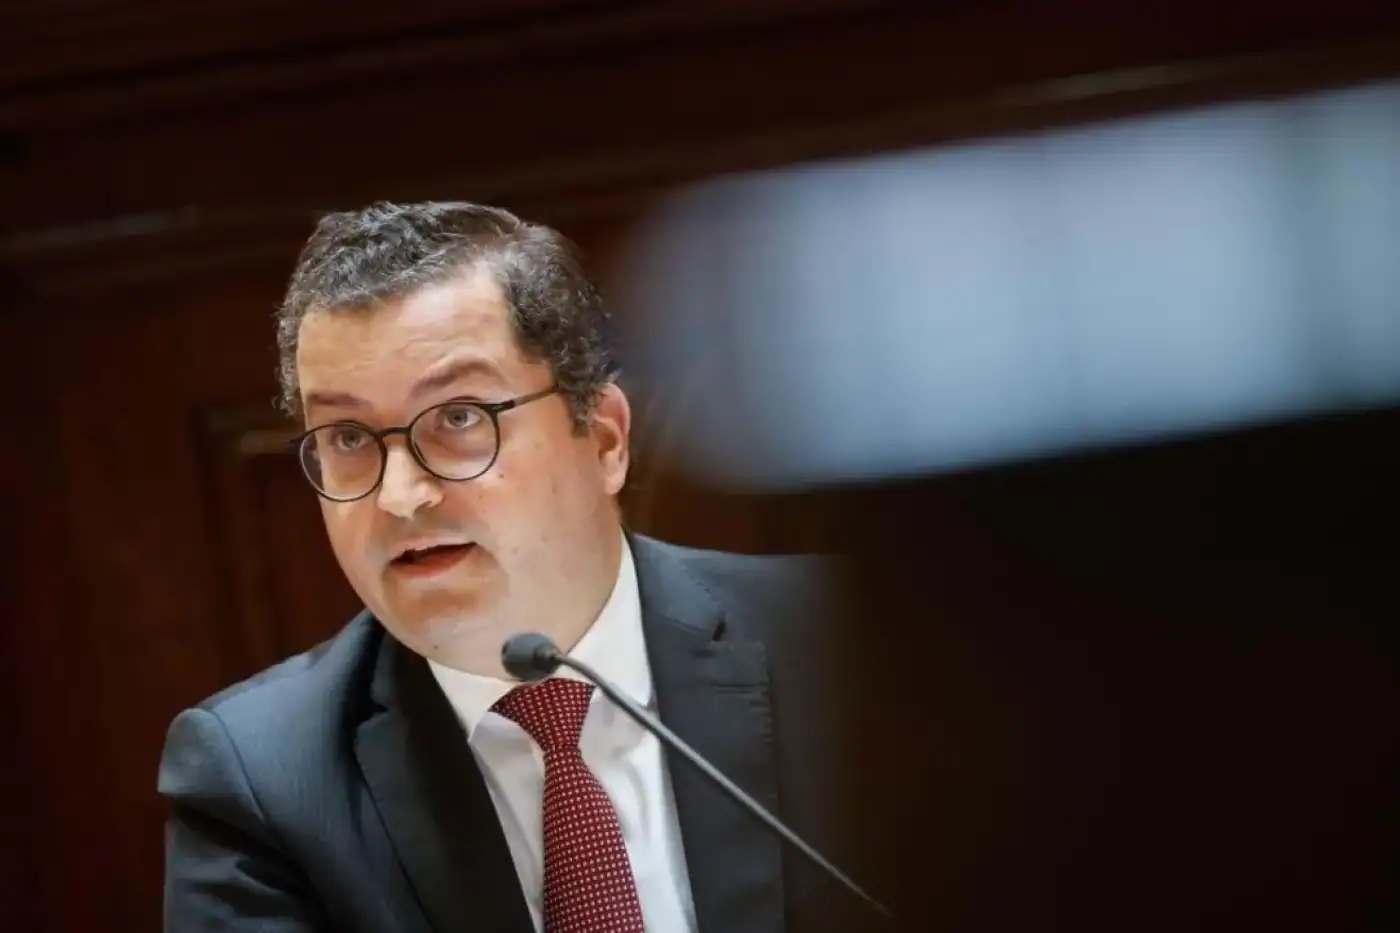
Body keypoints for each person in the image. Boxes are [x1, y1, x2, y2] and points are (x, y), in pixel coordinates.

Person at [157, 201, 880, 932]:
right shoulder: (261, 782)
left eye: (459, 418)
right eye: (346, 437)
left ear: (604, 439)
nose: (400, 495)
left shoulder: (851, 648)